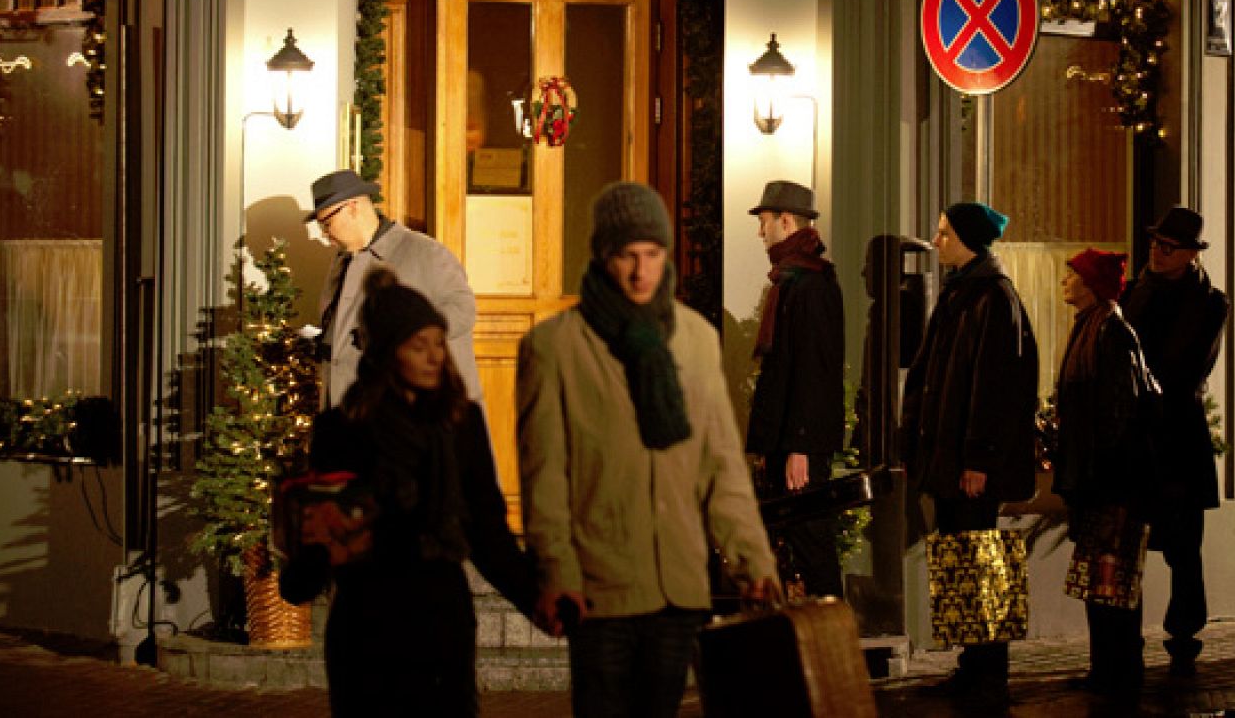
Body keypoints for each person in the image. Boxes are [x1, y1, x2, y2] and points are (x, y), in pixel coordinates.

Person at [517, 182, 778, 718]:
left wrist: (754, 560)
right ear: (603, 256)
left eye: (653, 255)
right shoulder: (555, 347)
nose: (642, 272)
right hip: (600, 587)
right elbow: (546, 476)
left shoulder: (697, 340)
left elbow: (721, 464)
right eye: (627, 256)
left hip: (678, 584)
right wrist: (558, 572)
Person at [279, 268, 536, 717]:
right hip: (368, 618)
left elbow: (486, 528)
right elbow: (326, 523)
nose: (435, 356)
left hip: (439, 616)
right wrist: (305, 569)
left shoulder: (461, 424)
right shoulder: (344, 429)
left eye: (439, 343)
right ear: (386, 353)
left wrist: (535, 597)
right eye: (419, 346)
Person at [899, 201, 1039, 707]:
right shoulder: (962, 294)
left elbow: (994, 386)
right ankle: (971, 664)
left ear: (967, 240)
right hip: (950, 459)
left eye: (943, 234)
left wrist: (978, 459)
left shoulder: (992, 298)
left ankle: (989, 671)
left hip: (970, 463)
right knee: (960, 558)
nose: (936, 242)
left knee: (981, 560)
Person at [1119, 205, 1230, 675]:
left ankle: (1184, 630)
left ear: (1190, 254)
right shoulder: (1135, 292)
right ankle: (1127, 633)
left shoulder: (1208, 301)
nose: (1158, 253)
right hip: (1135, 433)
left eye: (1169, 248)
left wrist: (1151, 389)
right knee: (1131, 539)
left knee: (1183, 543)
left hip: (1176, 433)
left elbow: (1187, 364)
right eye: (1155, 244)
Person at [1054, 247, 1158, 699]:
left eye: (1073, 276)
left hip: (1112, 480)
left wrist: (1102, 475)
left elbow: (1118, 411)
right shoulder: (1089, 329)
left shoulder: (1111, 333)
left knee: (1113, 578)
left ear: (1093, 285)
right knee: (1101, 578)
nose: (1065, 282)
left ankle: (1120, 669)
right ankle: (1106, 667)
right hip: (1095, 476)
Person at [746, 180, 846, 598]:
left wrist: (800, 446)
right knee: (796, 545)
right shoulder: (790, 280)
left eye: (765, 222)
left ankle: (833, 645)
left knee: (812, 544)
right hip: (785, 440)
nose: (760, 232)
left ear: (786, 222)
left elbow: (815, 370)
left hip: (799, 443)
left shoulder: (811, 284)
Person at [307, 169, 481, 405]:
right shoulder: (342, 260)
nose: (325, 234)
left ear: (352, 207)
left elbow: (463, 310)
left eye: (327, 223)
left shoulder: (425, 252)